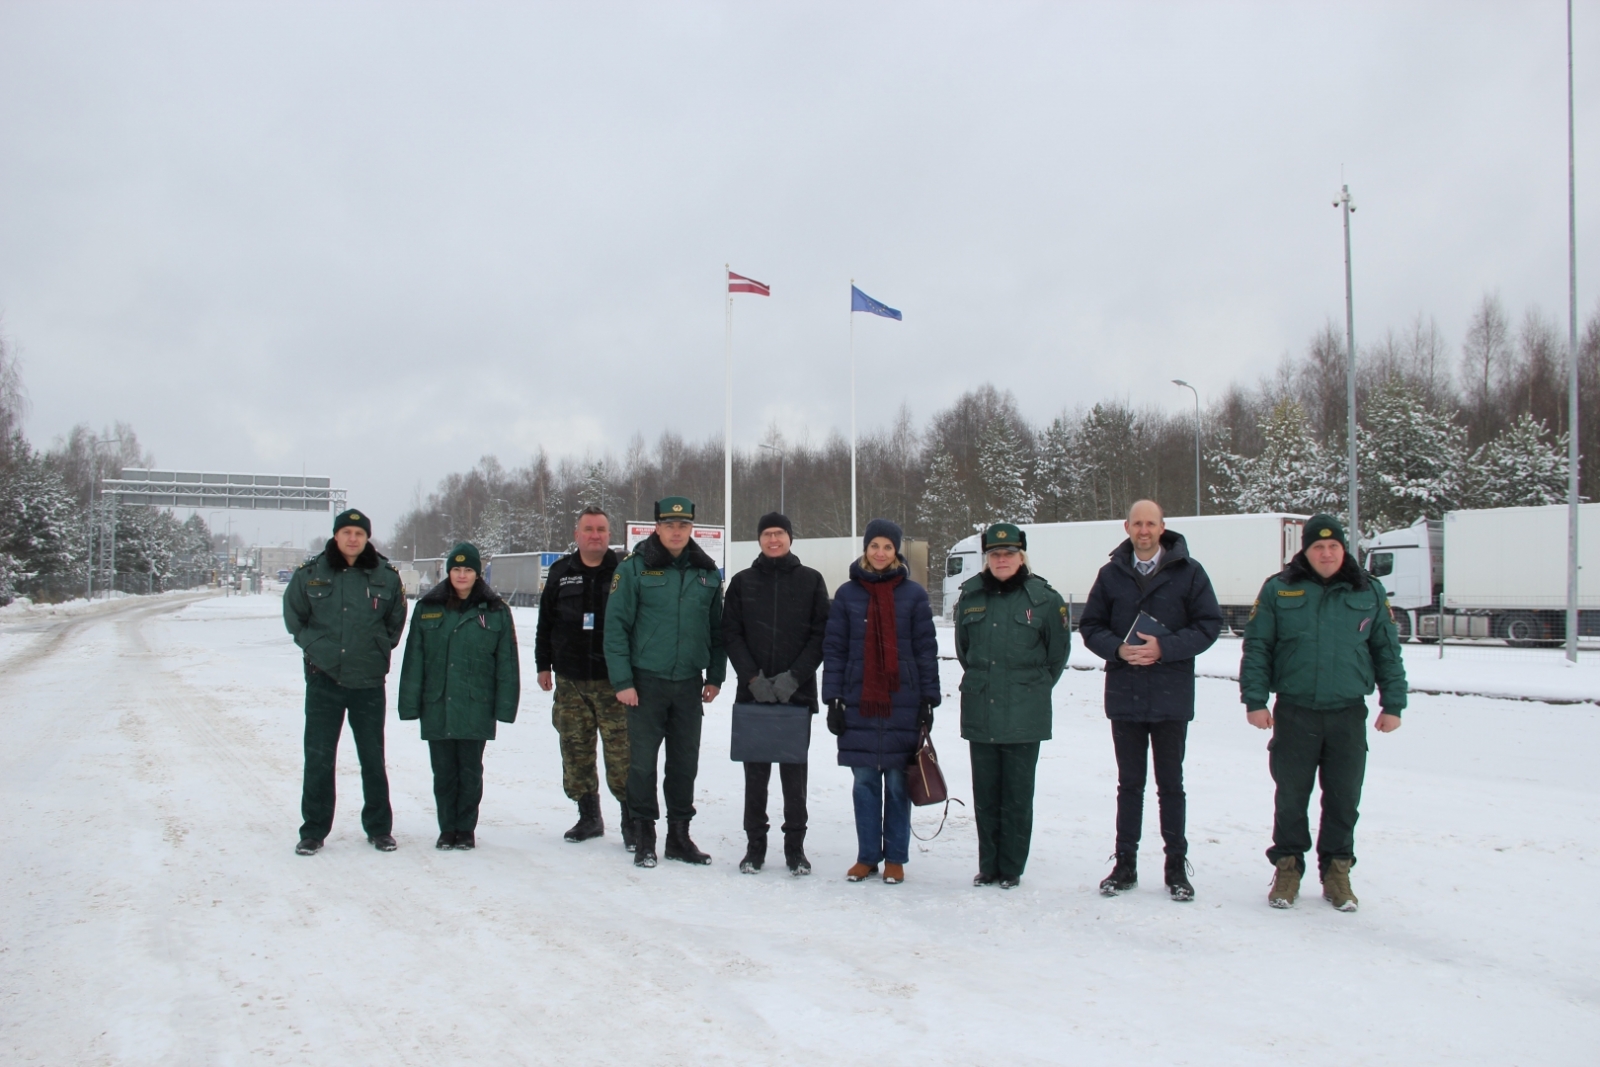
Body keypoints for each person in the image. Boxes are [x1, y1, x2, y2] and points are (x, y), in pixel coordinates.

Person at [1241, 513, 1407, 912]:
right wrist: (1255, 700)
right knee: (1291, 796)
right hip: (1295, 711)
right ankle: (1287, 868)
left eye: (1333, 546)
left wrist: (1393, 703)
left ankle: (1337, 872)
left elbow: (1386, 649)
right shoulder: (1280, 589)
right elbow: (1258, 646)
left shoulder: (1367, 590)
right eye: (1318, 546)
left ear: (1344, 549)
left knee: (1344, 798)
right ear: (1307, 549)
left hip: (1347, 713)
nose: (1327, 553)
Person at [1078, 499, 1223, 901]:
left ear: (1163, 527)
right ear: (1127, 527)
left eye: (1151, 524)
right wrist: (1117, 650)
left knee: (1171, 784)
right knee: (1130, 784)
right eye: (1137, 524)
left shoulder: (1190, 573)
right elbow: (1090, 625)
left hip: (1170, 694)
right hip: (1125, 693)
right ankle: (1125, 864)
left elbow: (1209, 624)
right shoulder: (1110, 575)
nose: (1144, 531)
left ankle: (1176, 867)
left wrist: (1167, 648)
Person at [605, 497, 726, 868]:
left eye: (684, 525)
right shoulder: (635, 569)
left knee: (684, 763)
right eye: (669, 525)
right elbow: (616, 628)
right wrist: (623, 680)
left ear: (692, 529)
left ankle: (679, 836)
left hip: (689, 683)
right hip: (645, 684)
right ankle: (643, 835)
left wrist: (716, 675)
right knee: (641, 763)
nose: (677, 531)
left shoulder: (707, 572)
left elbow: (717, 629)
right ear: (656, 527)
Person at [282, 508, 408, 856]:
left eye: (359, 533)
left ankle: (379, 828)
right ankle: (314, 830)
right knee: (319, 757)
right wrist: (316, 648)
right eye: (347, 532)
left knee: (372, 757)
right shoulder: (311, 574)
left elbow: (395, 622)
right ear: (336, 535)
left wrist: (376, 648)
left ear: (367, 538)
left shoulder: (385, 576)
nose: (353, 539)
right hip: (324, 679)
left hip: (368, 681)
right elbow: (295, 617)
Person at [822, 518, 941, 885]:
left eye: (888, 547)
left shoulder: (914, 595)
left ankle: (896, 858)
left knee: (897, 783)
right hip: (858, 700)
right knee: (864, 783)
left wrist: (928, 700)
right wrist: (833, 699)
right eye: (875, 546)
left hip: (901, 701)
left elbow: (925, 650)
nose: (880, 553)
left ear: (896, 551)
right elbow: (835, 649)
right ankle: (867, 856)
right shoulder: (846, 594)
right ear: (865, 548)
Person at [953, 522, 1071, 890]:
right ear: (986, 558)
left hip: (1024, 712)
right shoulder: (970, 596)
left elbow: (1056, 656)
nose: (1002, 559)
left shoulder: (1045, 600)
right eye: (994, 554)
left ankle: (1011, 868)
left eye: (1008, 553)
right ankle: (988, 865)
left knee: (1017, 795)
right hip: (982, 709)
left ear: (1021, 556)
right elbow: (964, 651)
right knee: (986, 795)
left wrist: (1028, 689)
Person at [722, 512, 830, 876]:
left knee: (794, 779)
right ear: (759, 539)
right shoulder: (742, 582)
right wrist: (753, 679)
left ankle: (795, 848)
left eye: (779, 533)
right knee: (756, 777)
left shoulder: (811, 581)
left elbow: (821, 636)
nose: (773, 540)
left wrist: (793, 678)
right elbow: (731, 634)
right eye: (767, 534)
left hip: (795, 696)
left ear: (790, 538)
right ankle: (755, 847)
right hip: (754, 696)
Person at [397, 542, 521, 850]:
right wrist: (410, 704)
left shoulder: (495, 611)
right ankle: (446, 828)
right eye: (456, 569)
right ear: (448, 571)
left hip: (475, 704)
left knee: (470, 771)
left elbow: (506, 663)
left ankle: (465, 829)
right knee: (443, 773)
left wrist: (505, 707)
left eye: (468, 570)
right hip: (437, 703)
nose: (462, 575)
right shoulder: (428, 608)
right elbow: (414, 659)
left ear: (478, 573)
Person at [535, 507, 632, 848]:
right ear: (577, 535)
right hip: (571, 680)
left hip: (615, 682)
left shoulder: (625, 572)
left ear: (610, 534)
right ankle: (588, 816)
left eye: (601, 529)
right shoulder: (562, 572)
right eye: (588, 529)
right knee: (575, 749)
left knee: (622, 754)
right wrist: (543, 665)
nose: (595, 535)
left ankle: (631, 820)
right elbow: (545, 623)